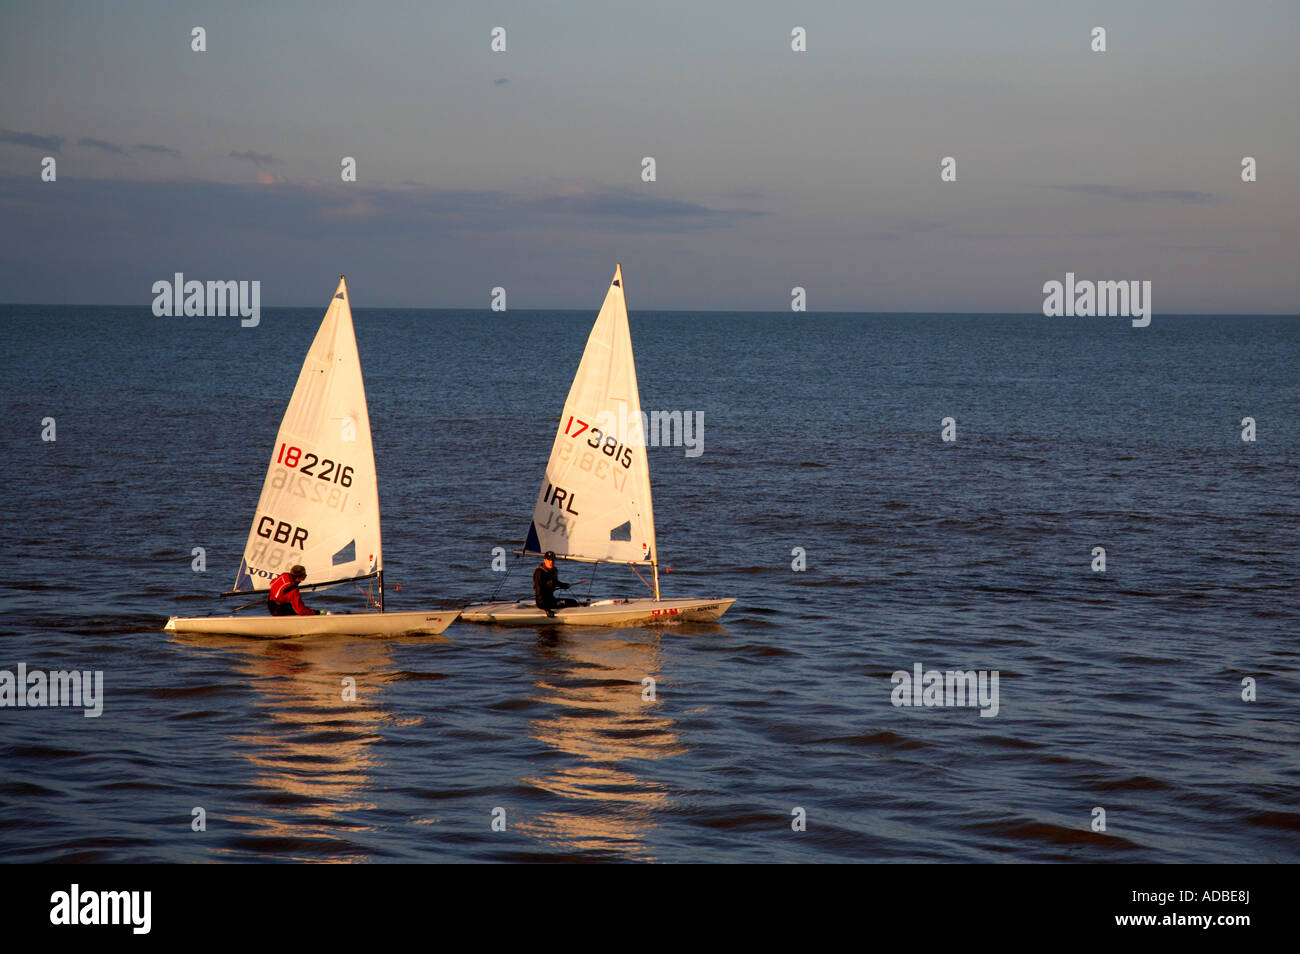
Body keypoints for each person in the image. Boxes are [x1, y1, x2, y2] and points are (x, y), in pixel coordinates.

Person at [533, 551, 578, 617]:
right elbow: (538, 592)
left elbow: (554, 582)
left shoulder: (554, 570)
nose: (551, 562)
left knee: (573, 602)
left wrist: (563, 585)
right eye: (549, 560)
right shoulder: (539, 573)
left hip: (551, 600)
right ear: (545, 560)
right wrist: (547, 610)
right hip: (542, 603)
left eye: (553, 560)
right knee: (573, 603)